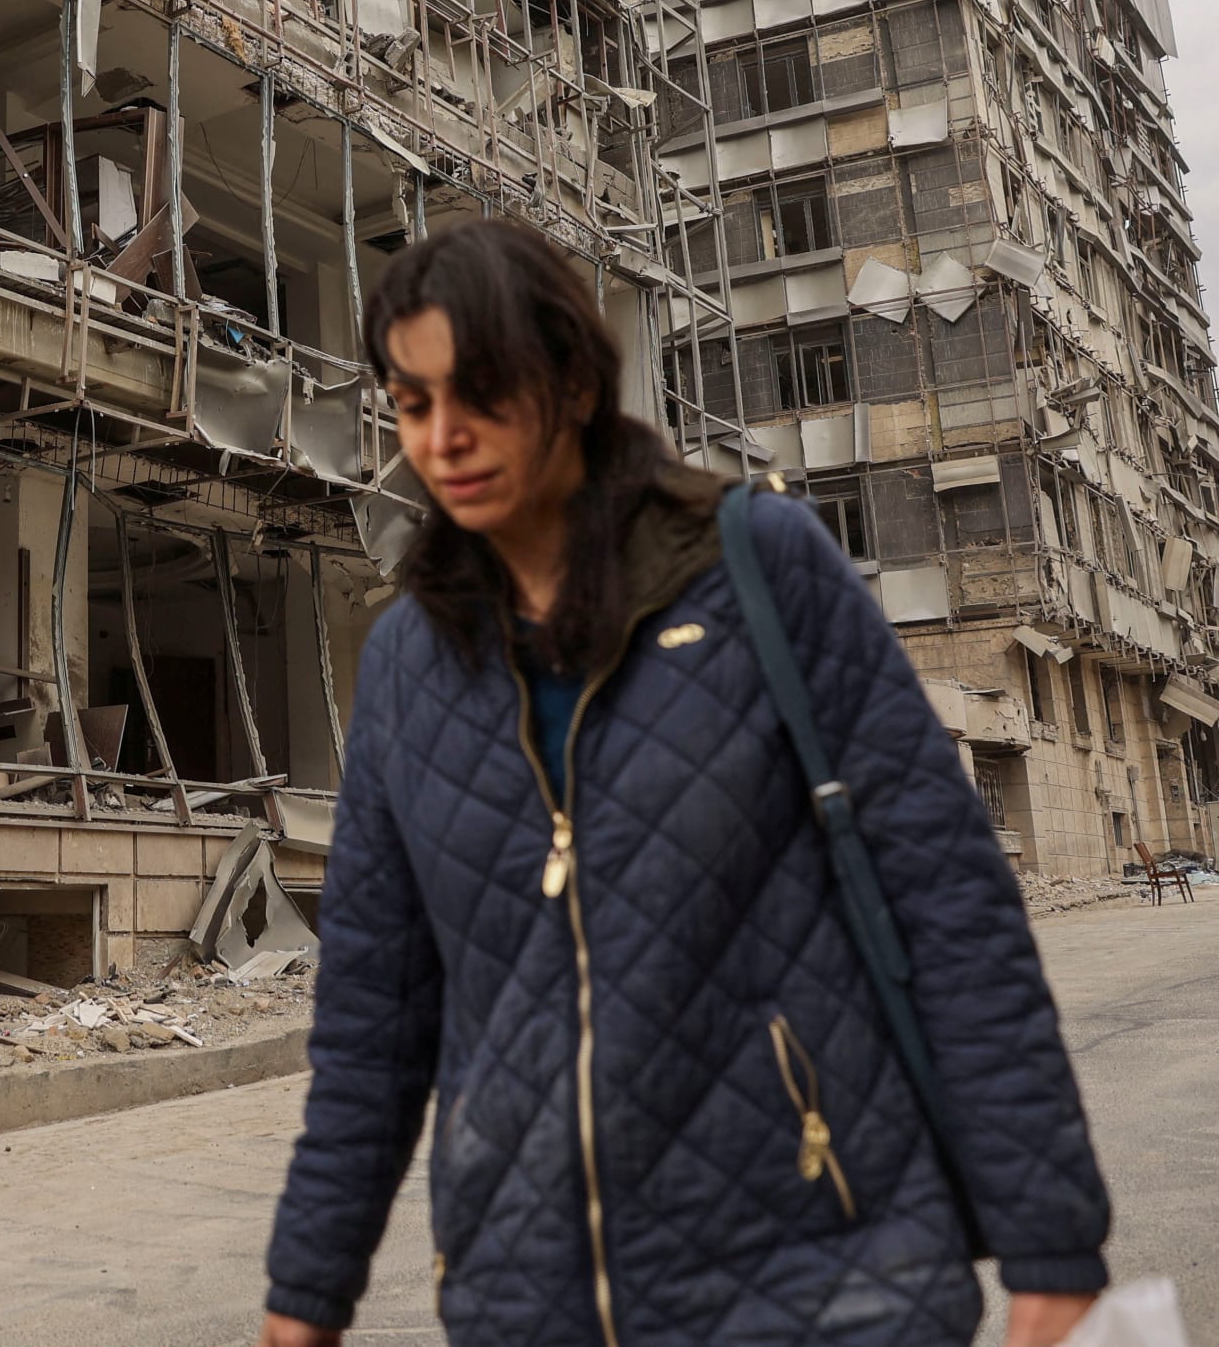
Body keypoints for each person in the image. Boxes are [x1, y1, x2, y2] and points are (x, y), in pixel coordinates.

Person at [259, 221, 1112, 1347]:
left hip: (823, 1273)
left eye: (478, 391)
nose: (443, 435)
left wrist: (1050, 1242)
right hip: (527, 1296)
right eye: (411, 403)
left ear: (569, 379)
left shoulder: (760, 567)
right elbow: (371, 1018)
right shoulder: (412, 665)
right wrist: (303, 1293)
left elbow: (949, 904)